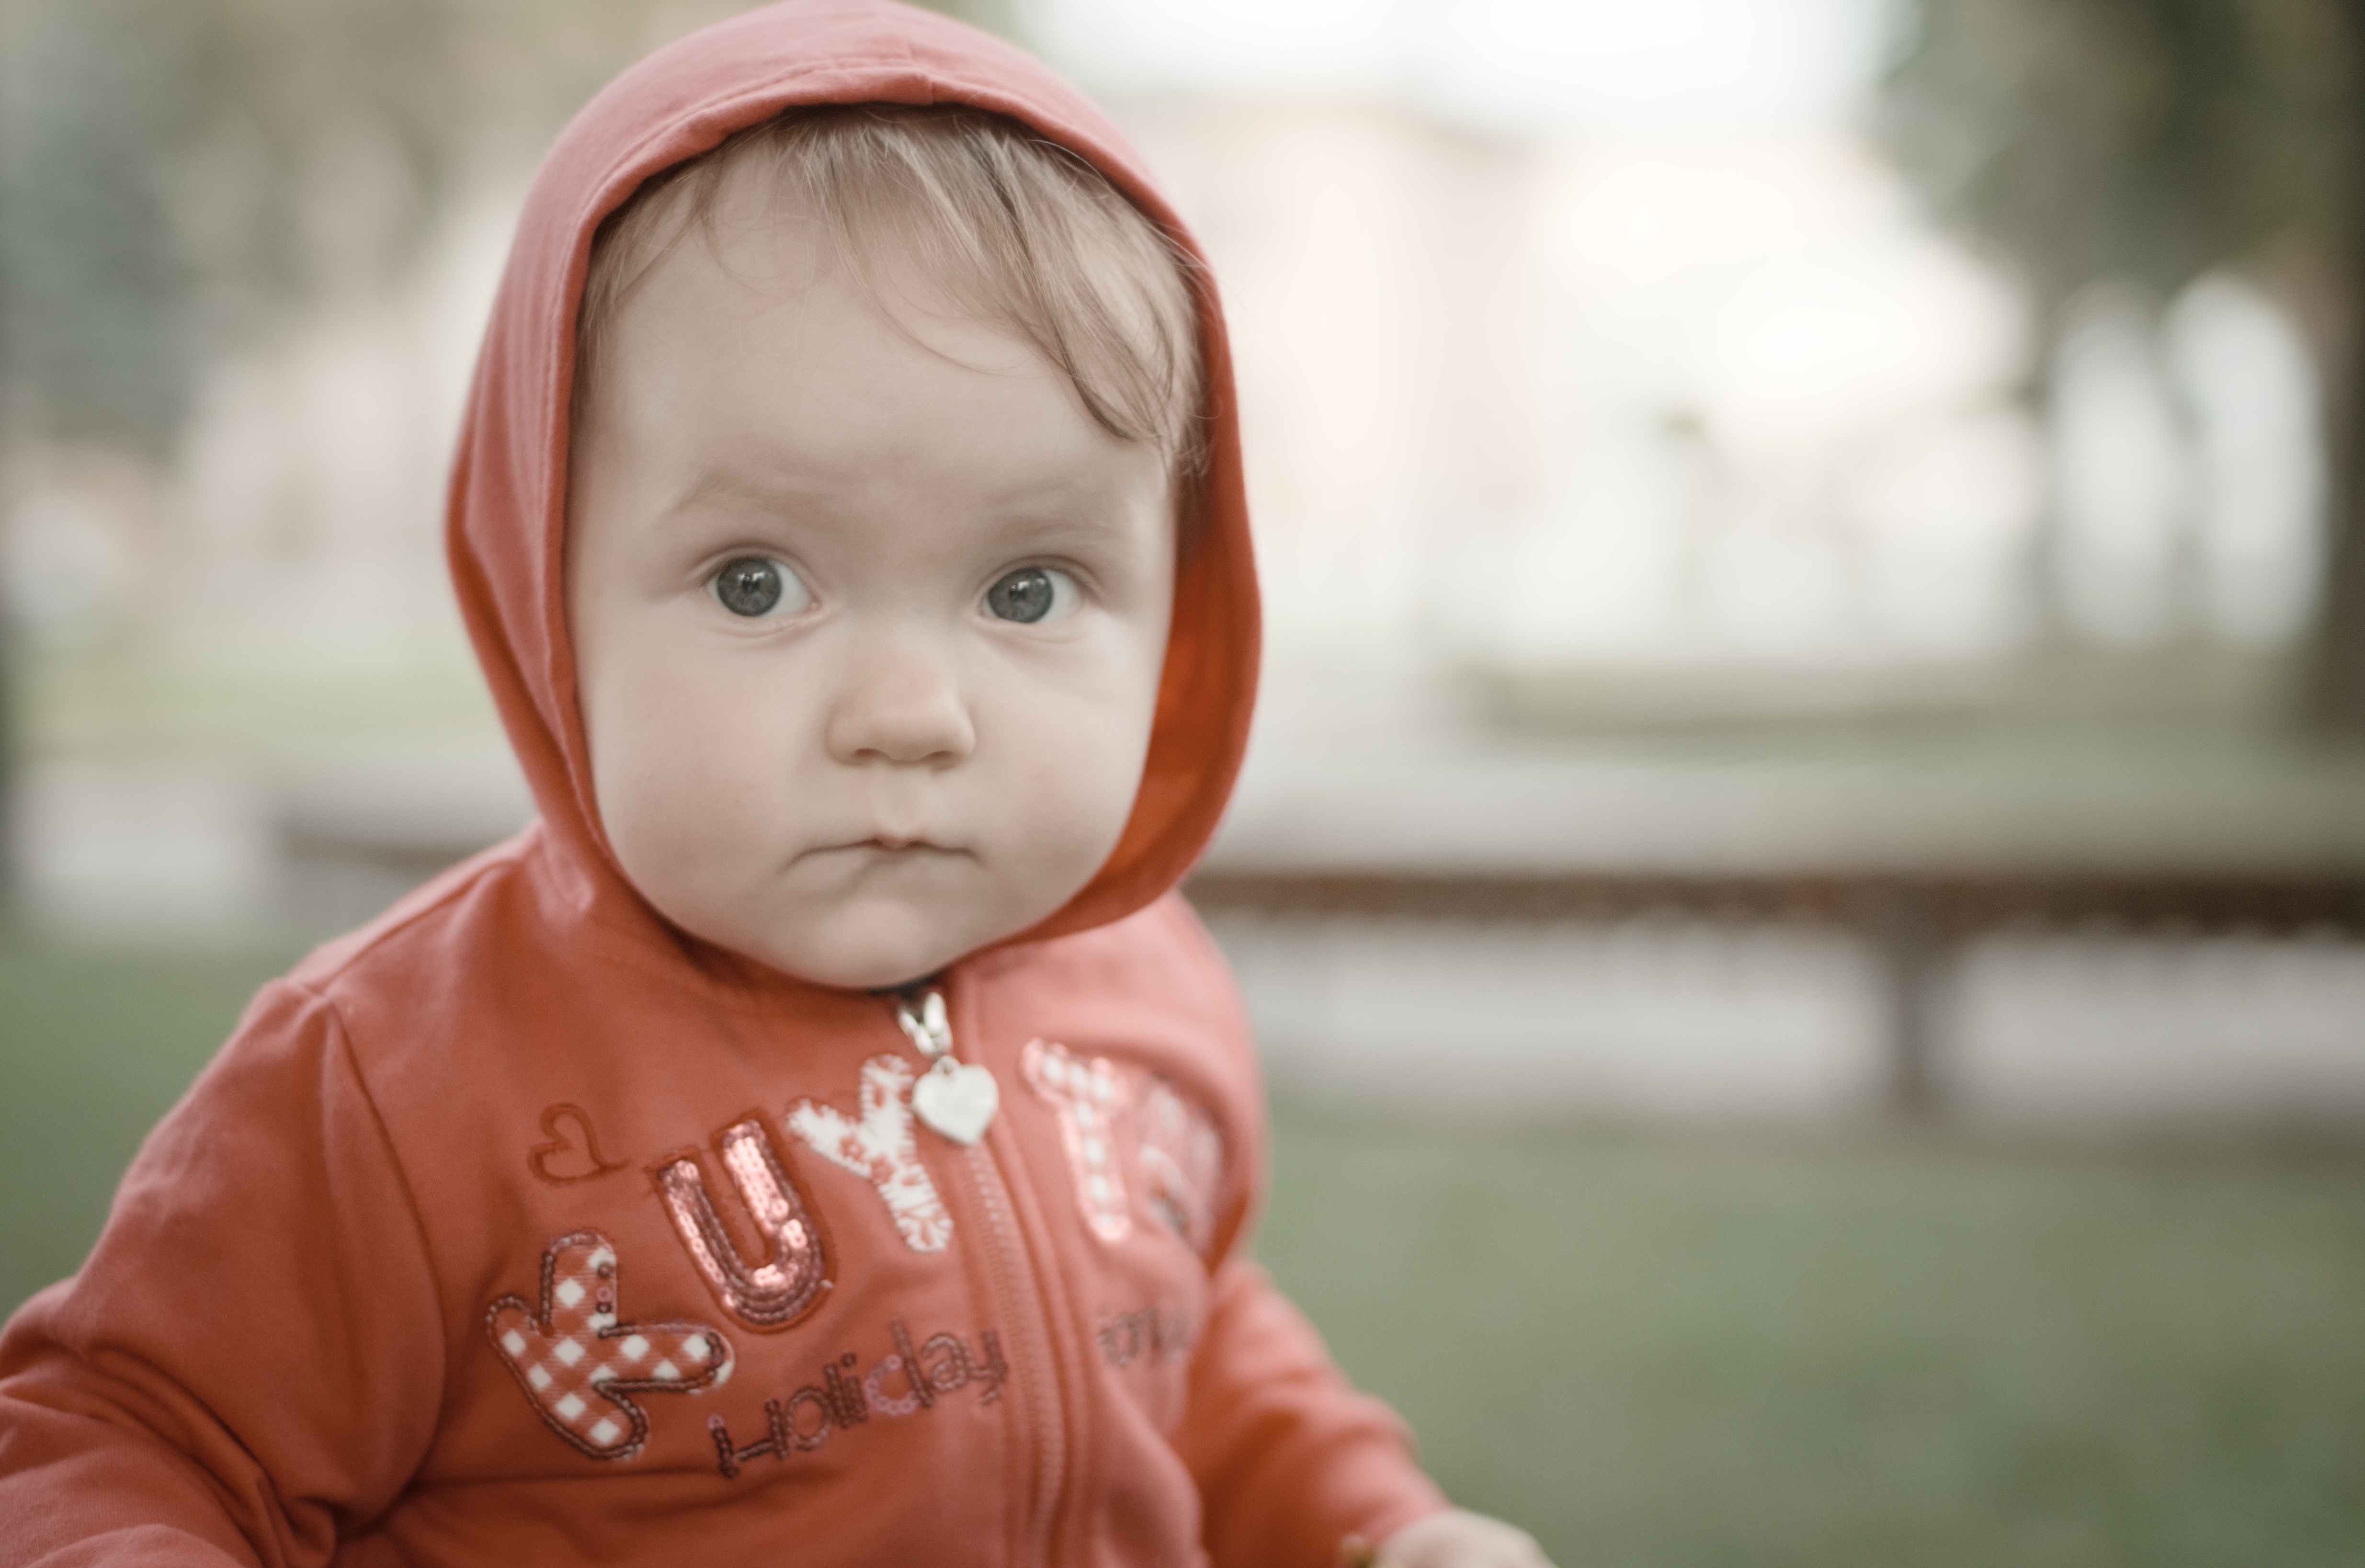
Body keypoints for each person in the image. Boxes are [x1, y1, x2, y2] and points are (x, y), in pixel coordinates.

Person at [0, 4, 1553, 1565]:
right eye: (756, 582)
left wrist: (1369, 1525)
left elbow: (1183, 1334)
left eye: (1026, 590)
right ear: (549, 592)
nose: (907, 714)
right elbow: (122, 1440)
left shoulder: (1147, 991)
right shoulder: (389, 1083)